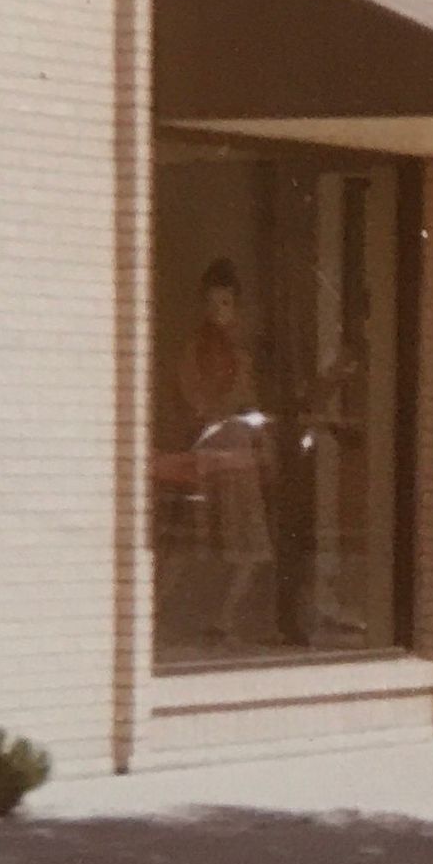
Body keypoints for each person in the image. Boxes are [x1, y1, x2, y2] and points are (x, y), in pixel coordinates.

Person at [173, 258, 276, 645]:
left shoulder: (240, 355)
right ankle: (170, 613)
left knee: (250, 546)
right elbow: (193, 401)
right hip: (212, 451)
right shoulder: (194, 352)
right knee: (193, 545)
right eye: (212, 303)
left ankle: (224, 618)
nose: (219, 312)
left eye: (227, 303)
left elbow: (250, 404)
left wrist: (262, 443)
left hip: (238, 452)